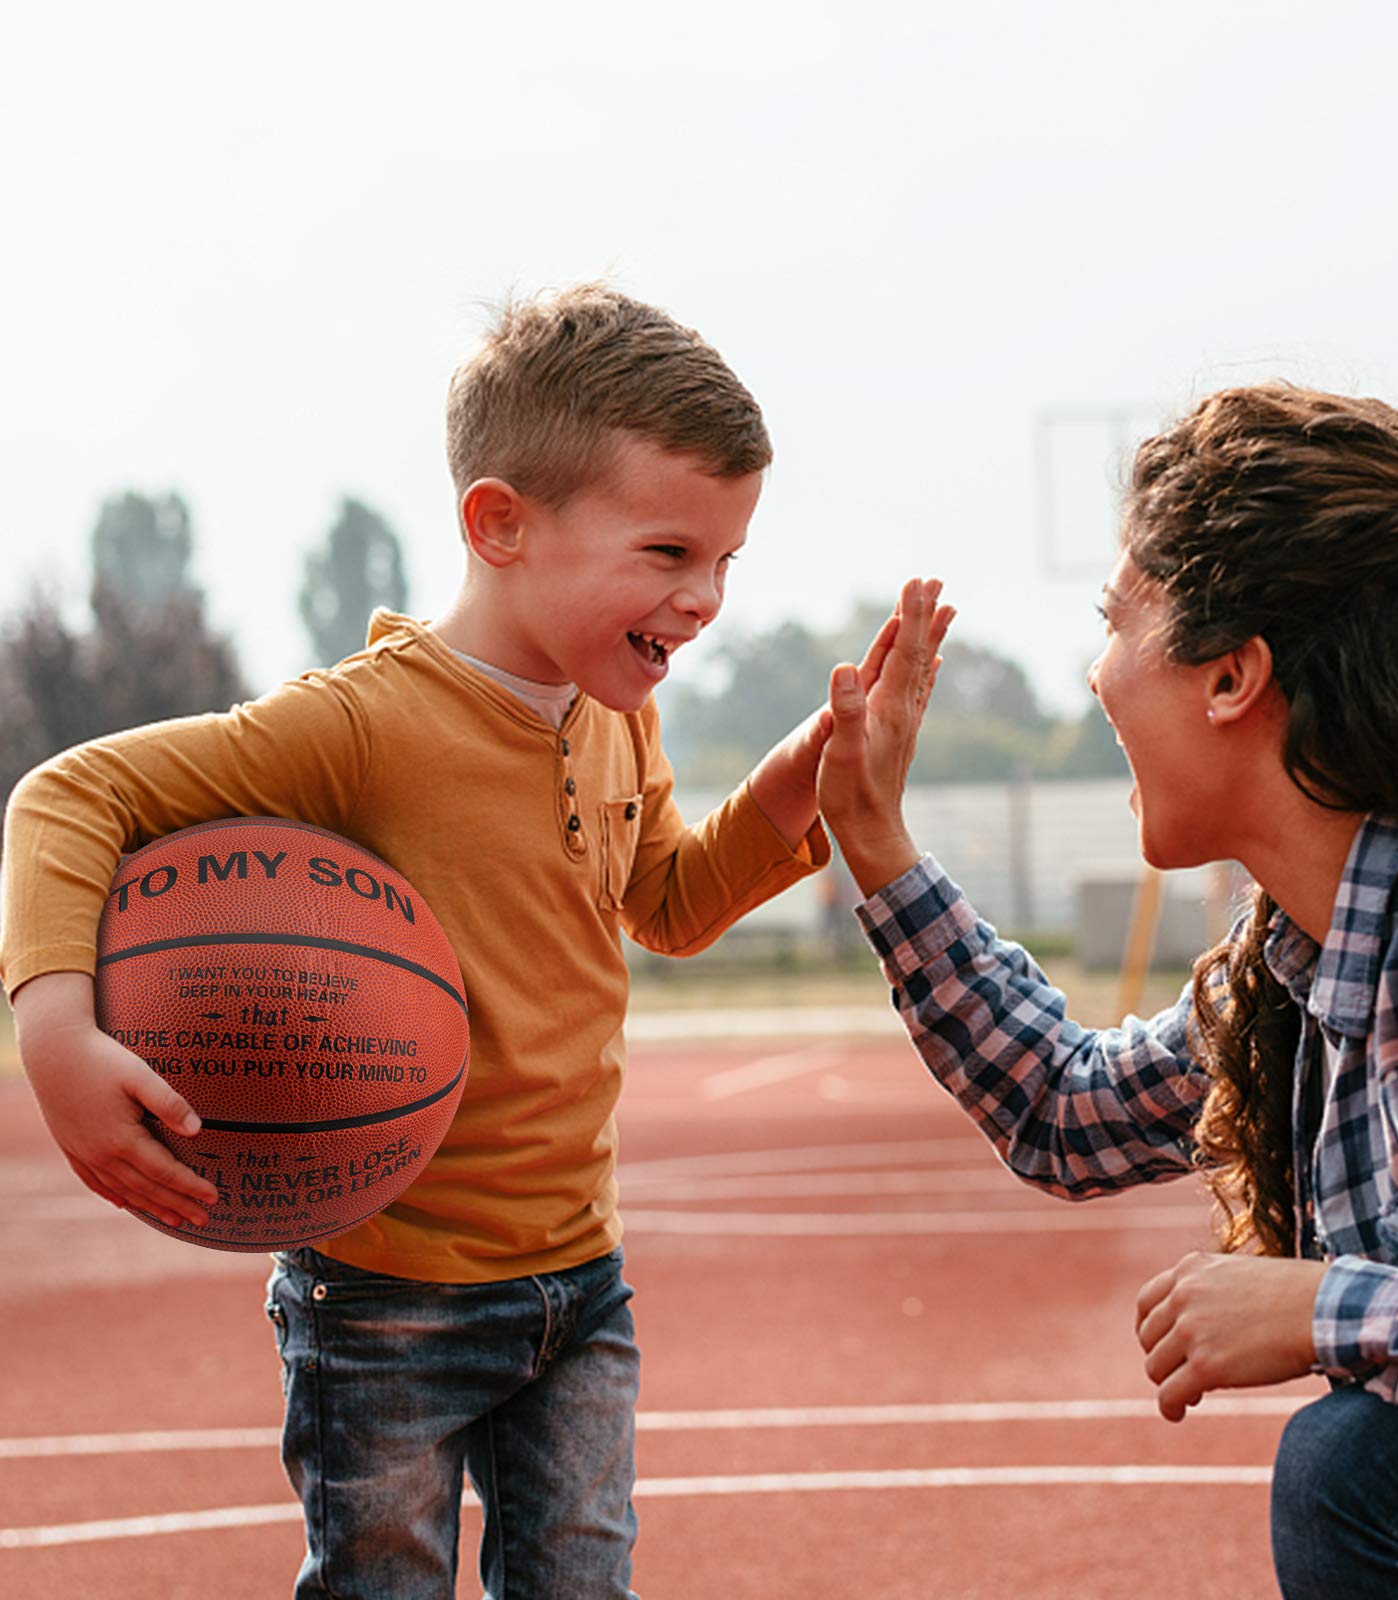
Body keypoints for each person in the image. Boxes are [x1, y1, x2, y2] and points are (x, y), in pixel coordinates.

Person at [0, 284, 894, 1599]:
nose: (705, 598)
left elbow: (667, 906)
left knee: (581, 1585)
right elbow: (67, 798)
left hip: (580, 1281)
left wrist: (787, 792)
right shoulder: (366, 725)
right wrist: (59, 1033)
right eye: (667, 553)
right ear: (500, 524)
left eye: (725, 561)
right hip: (384, 1293)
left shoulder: (614, 718)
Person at [817, 386, 1398, 1597]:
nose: (1096, 676)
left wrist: (1337, 1306)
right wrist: (875, 842)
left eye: (1114, 622)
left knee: (1357, 1472)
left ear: (1232, 675)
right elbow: (1064, 1113)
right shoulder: (1302, 951)